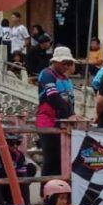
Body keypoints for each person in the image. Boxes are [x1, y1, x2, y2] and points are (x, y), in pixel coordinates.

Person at [35, 47, 78, 176]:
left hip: (64, 123)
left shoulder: (66, 80)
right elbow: (53, 96)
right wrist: (70, 115)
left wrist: (74, 115)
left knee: (64, 159)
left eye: (69, 63)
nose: (66, 66)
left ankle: (61, 192)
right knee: (51, 159)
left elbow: (69, 102)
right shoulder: (47, 74)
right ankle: (46, 192)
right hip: (48, 122)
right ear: (55, 62)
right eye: (64, 63)